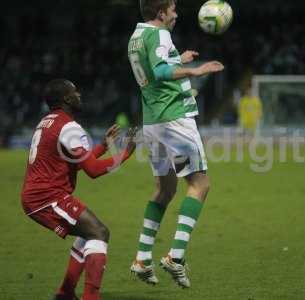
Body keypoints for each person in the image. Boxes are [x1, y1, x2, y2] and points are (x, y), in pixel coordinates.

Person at [128, 0, 224, 288]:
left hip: (154, 122)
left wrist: (177, 60)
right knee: (200, 184)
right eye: (172, 10)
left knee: (165, 188)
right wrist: (196, 70)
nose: (176, 15)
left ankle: (143, 258)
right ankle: (176, 256)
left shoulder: (136, 37)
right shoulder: (159, 35)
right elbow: (158, 72)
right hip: (174, 122)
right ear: (160, 13)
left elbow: (153, 67)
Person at [20, 79, 137, 300]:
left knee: (87, 231)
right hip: (46, 197)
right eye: (75, 92)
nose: (79, 95)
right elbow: (92, 170)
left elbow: (78, 162)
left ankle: (65, 293)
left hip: (39, 195)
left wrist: (103, 146)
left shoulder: (47, 121)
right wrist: (126, 153)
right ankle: (90, 297)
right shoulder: (69, 127)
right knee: (99, 232)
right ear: (66, 99)